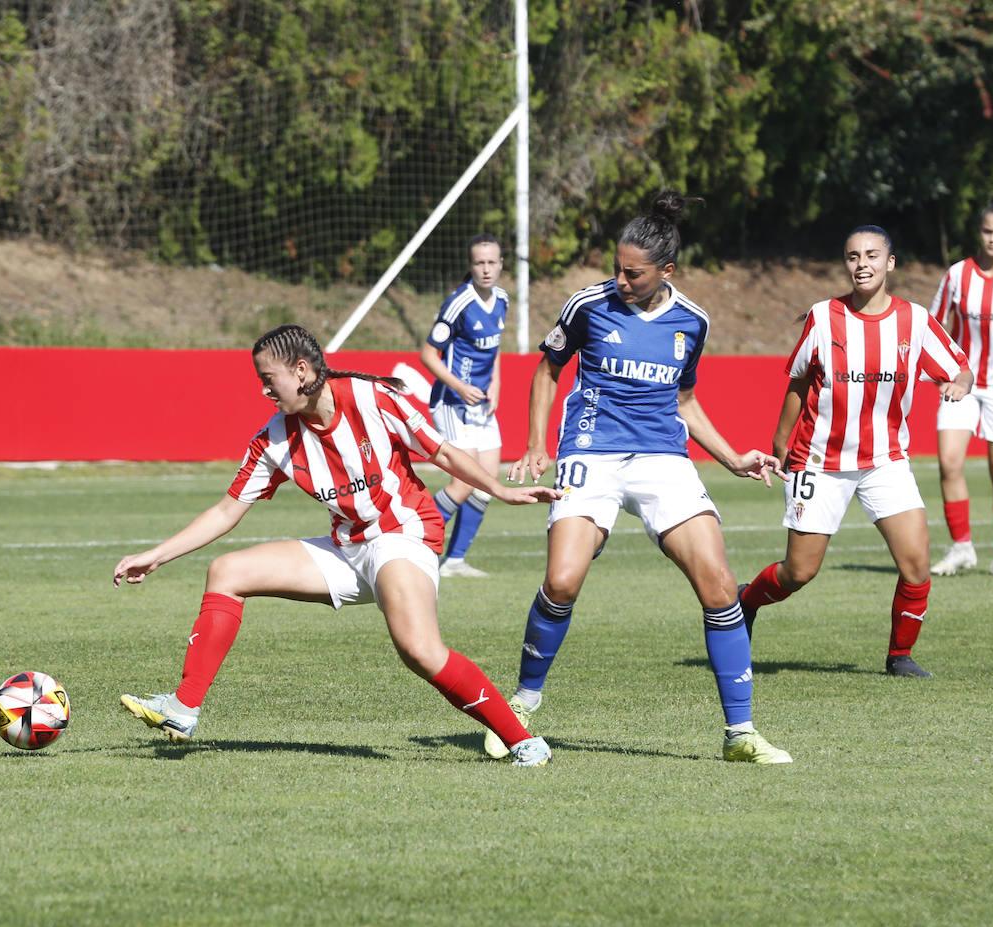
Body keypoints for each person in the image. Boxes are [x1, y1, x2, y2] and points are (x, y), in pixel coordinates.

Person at [114, 323, 559, 767]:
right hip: (348, 547)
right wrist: (155, 556)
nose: (264, 389)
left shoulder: (371, 398)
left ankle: (523, 742)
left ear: (302, 371)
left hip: (402, 535)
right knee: (227, 572)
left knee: (420, 651)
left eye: (268, 379)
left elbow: (441, 452)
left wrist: (501, 491)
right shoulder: (274, 437)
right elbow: (226, 511)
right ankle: (183, 708)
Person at [498, 190, 793, 765]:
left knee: (718, 583)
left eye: (632, 273)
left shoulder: (692, 321)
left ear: (666, 271)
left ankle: (741, 735)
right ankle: (522, 704)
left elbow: (684, 399)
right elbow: (547, 370)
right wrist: (537, 444)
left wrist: (732, 458)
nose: (620, 280)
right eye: (616, 268)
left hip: (662, 457)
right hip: (592, 450)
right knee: (562, 581)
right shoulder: (588, 304)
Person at [738, 225, 973, 678]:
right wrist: (780, 442)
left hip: (885, 460)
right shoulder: (824, 317)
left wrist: (957, 385)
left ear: (891, 263)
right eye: (852, 256)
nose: (861, 264)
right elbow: (800, 380)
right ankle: (745, 603)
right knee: (799, 573)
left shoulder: (915, 321)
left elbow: (959, 368)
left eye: (871, 255)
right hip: (819, 462)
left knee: (917, 564)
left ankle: (899, 657)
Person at [928, 197, 993, 578]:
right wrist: (943, 374)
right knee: (948, 462)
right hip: (961, 383)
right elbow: (932, 326)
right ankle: (962, 547)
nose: (992, 238)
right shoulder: (958, 274)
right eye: (987, 231)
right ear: (979, 231)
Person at [421, 233, 507, 578]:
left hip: (481, 405)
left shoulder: (502, 299)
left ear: (501, 264)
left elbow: (493, 348)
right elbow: (428, 355)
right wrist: (460, 386)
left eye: (492, 262)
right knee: (464, 484)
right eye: (479, 263)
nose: (486, 269)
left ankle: (454, 561)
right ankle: (415, 547)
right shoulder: (458, 303)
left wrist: (496, 385)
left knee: (487, 485)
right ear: (470, 266)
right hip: (451, 403)